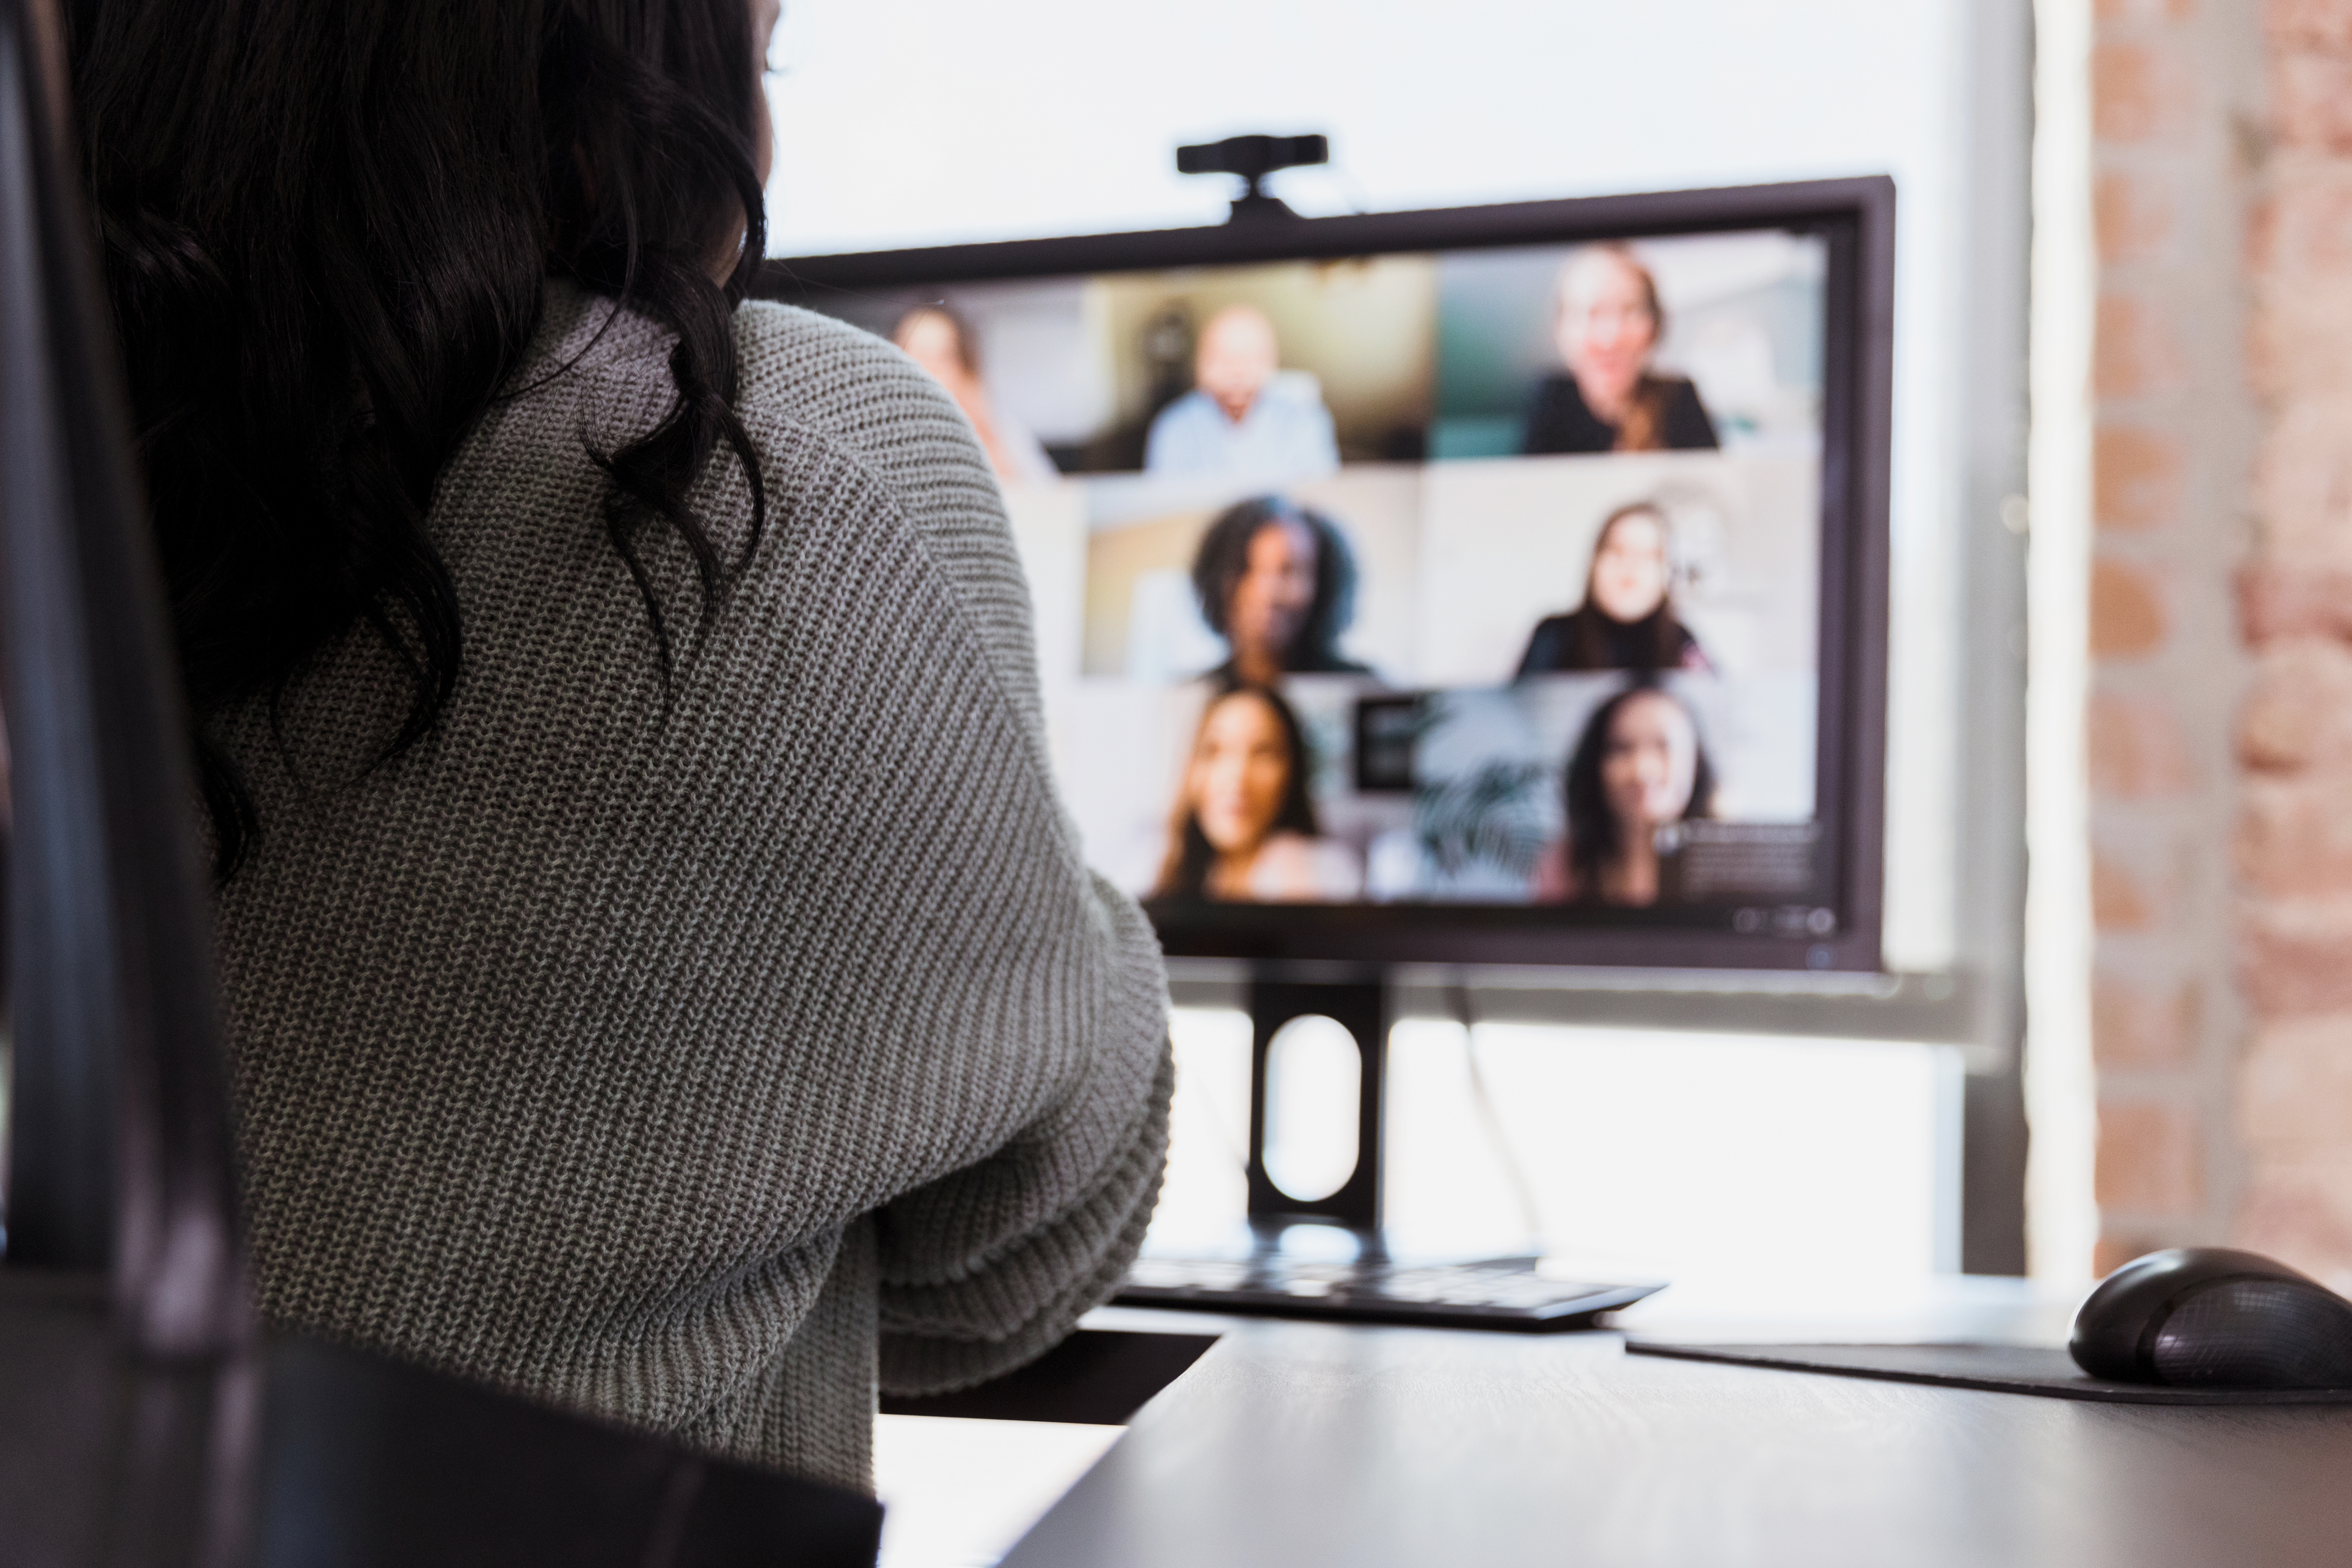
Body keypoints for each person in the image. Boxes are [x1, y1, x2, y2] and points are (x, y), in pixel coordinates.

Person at [71, 0, 1170, 1496]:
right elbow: (1004, 1267)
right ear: (642, 84)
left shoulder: (65, 466)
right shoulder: (785, 459)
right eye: (760, 58)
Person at [1152, 686, 1363, 902]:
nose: (1238, 778)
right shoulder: (1147, 868)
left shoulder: (1330, 876)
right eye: (1214, 750)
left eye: (1262, 752)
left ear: (1292, 772)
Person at [1522, 245, 1721, 455]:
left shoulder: (1679, 400)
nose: (1611, 338)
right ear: (1562, 331)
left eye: (1630, 311)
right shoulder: (1553, 400)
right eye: (1593, 313)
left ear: (1655, 327)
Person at [1535, 682, 1716, 906]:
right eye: (1621, 749)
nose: (1641, 771)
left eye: (1664, 746)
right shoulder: (1563, 866)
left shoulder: (1731, 866)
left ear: (1695, 762)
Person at [1188, 496, 1371, 684]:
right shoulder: (1194, 699)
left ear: (1324, 583)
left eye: (1288, 570)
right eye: (1245, 568)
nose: (1268, 593)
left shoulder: (1363, 690)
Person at [1144, 303, 1340, 477]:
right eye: (1223, 359)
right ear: (1200, 366)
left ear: (1271, 362)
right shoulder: (1173, 429)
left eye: (1249, 358)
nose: (1237, 372)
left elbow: (1320, 498)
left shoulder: (1306, 422)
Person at [1517, 501, 1711, 675]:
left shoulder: (1683, 643)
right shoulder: (1553, 637)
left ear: (1668, 571)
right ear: (1595, 563)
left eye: (1648, 555)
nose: (1631, 564)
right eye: (1618, 550)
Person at [890, 302, 1060, 485]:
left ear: (966, 370)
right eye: (916, 356)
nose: (928, 370)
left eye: (944, 358)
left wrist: (987, 434)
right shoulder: (882, 437)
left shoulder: (997, 426)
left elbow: (1047, 495)